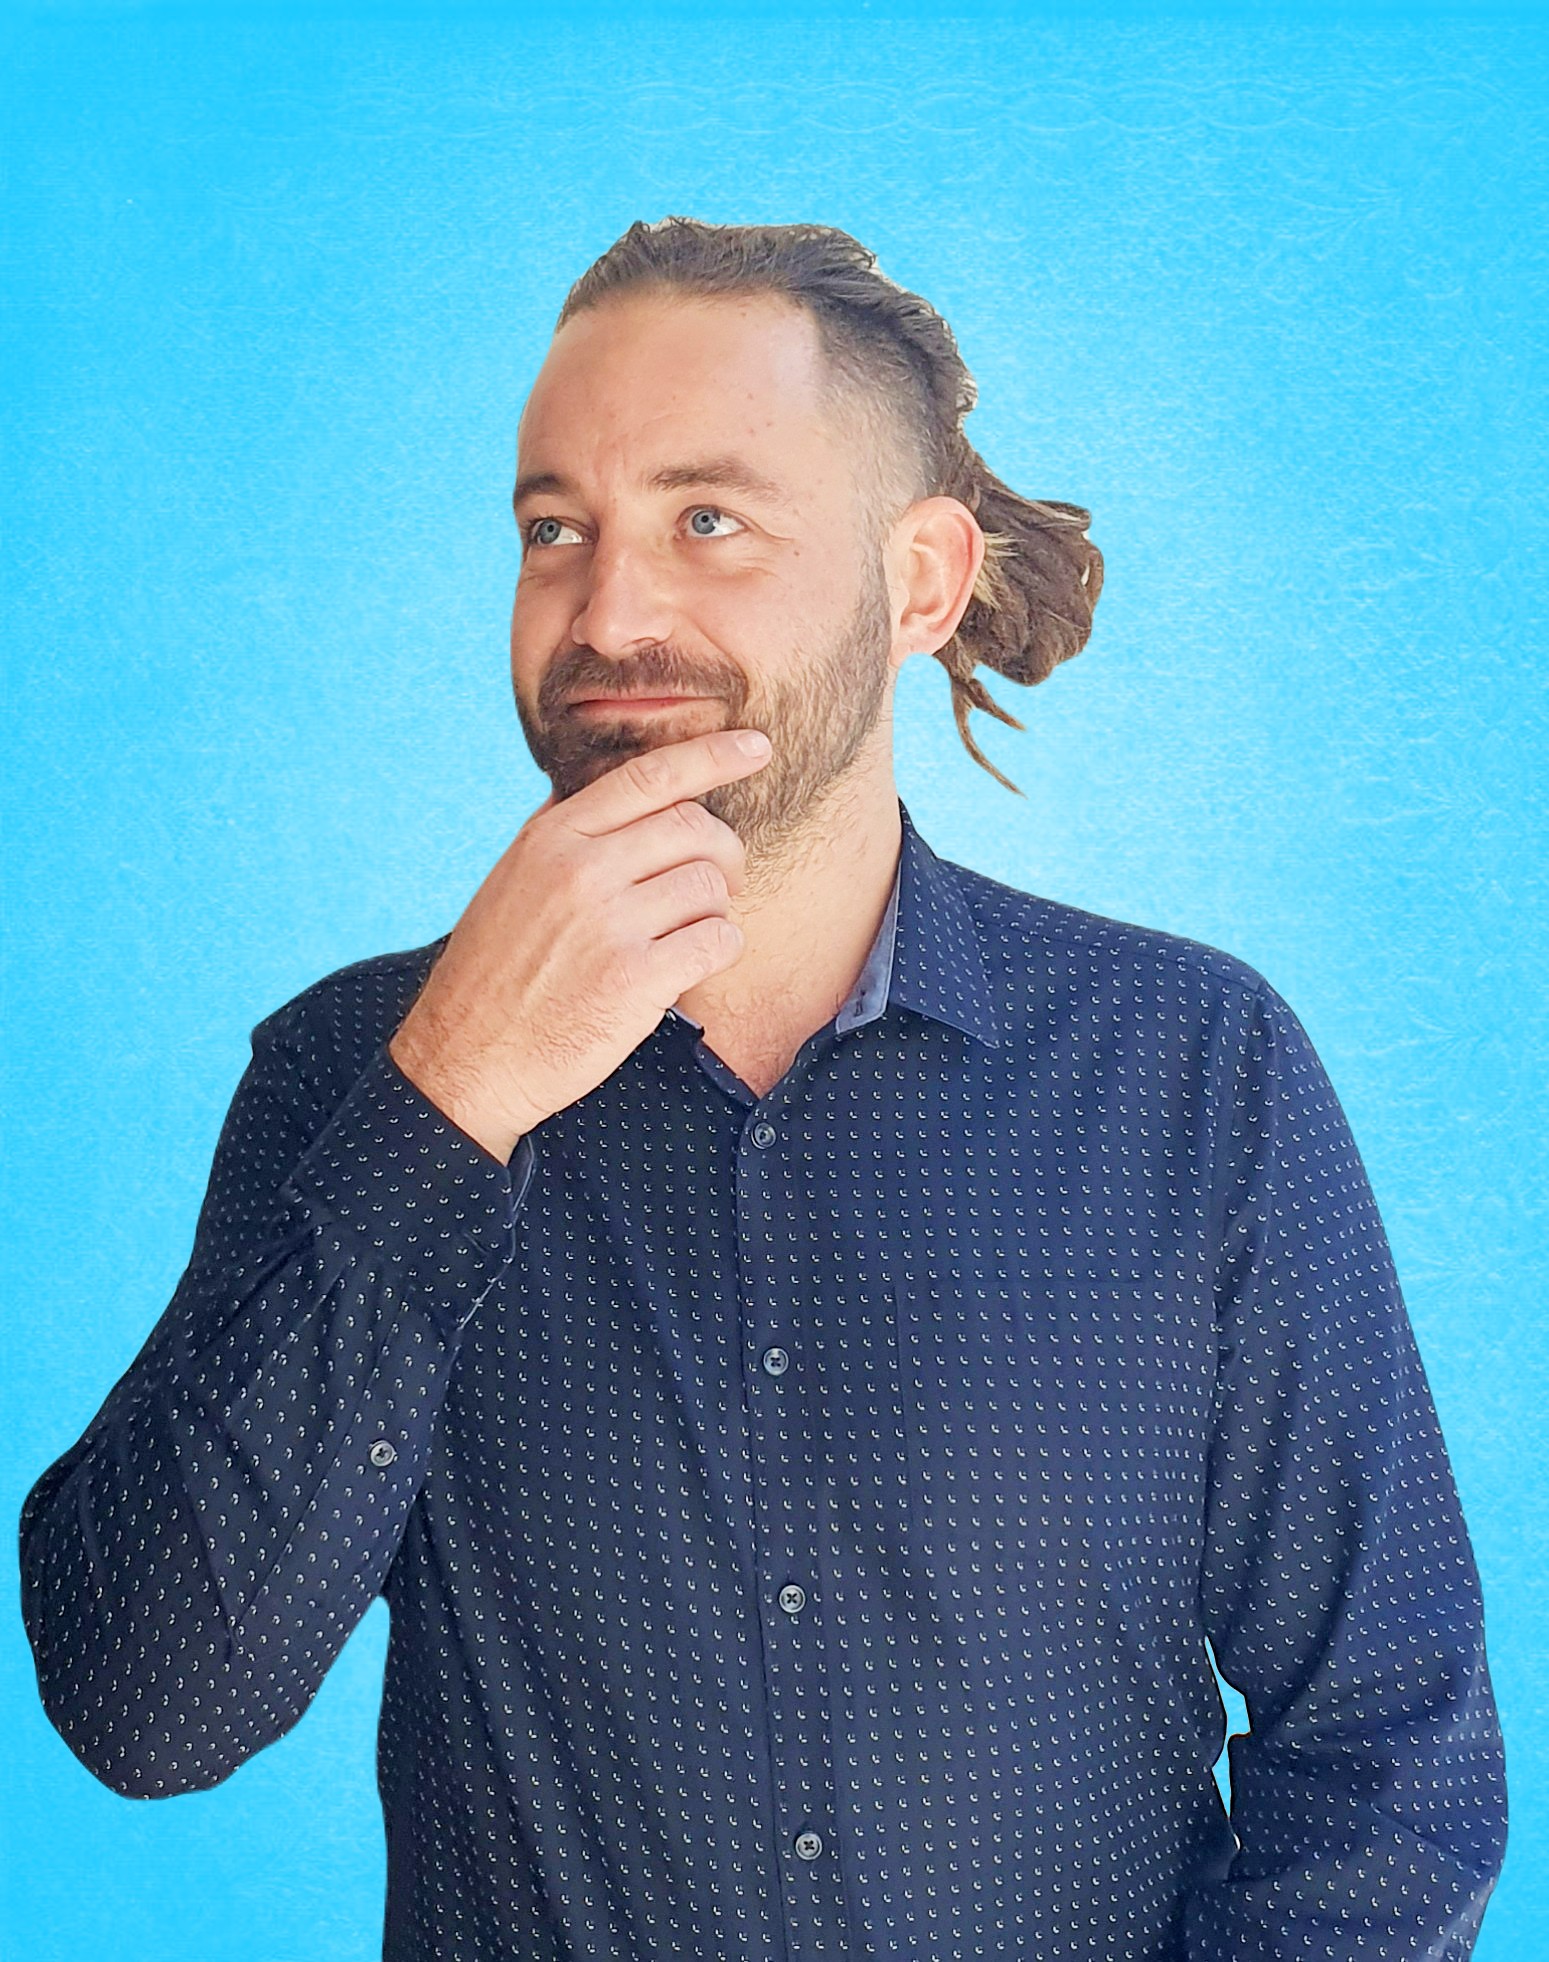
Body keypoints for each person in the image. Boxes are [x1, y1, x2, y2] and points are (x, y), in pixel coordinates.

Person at [19, 217, 1507, 1961]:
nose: (608, 613)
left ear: (919, 583)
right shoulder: (359, 1073)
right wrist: (450, 1097)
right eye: (554, 530)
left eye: (707, 520)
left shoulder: (1192, 1068)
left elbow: (1388, 1761)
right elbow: (149, 1711)